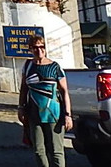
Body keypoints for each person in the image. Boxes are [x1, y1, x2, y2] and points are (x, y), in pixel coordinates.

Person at [18, 35, 72, 167]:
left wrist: (67, 115)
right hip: (34, 113)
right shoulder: (28, 66)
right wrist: (21, 108)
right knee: (38, 150)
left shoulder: (55, 67)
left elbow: (64, 91)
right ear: (30, 49)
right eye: (35, 47)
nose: (39, 50)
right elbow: (23, 89)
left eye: (42, 47)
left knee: (56, 151)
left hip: (53, 114)